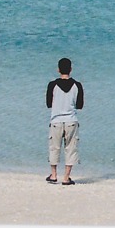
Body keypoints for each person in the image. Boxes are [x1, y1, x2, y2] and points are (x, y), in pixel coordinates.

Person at [45, 57, 83, 185]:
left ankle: (54, 175)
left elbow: (49, 104)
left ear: (58, 70)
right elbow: (80, 105)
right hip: (71, 120)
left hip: (56, 120)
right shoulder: (77, 85)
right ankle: (66, 177)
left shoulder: (52, 85)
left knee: (54, 147)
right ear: (71, 69)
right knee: (71, 148)